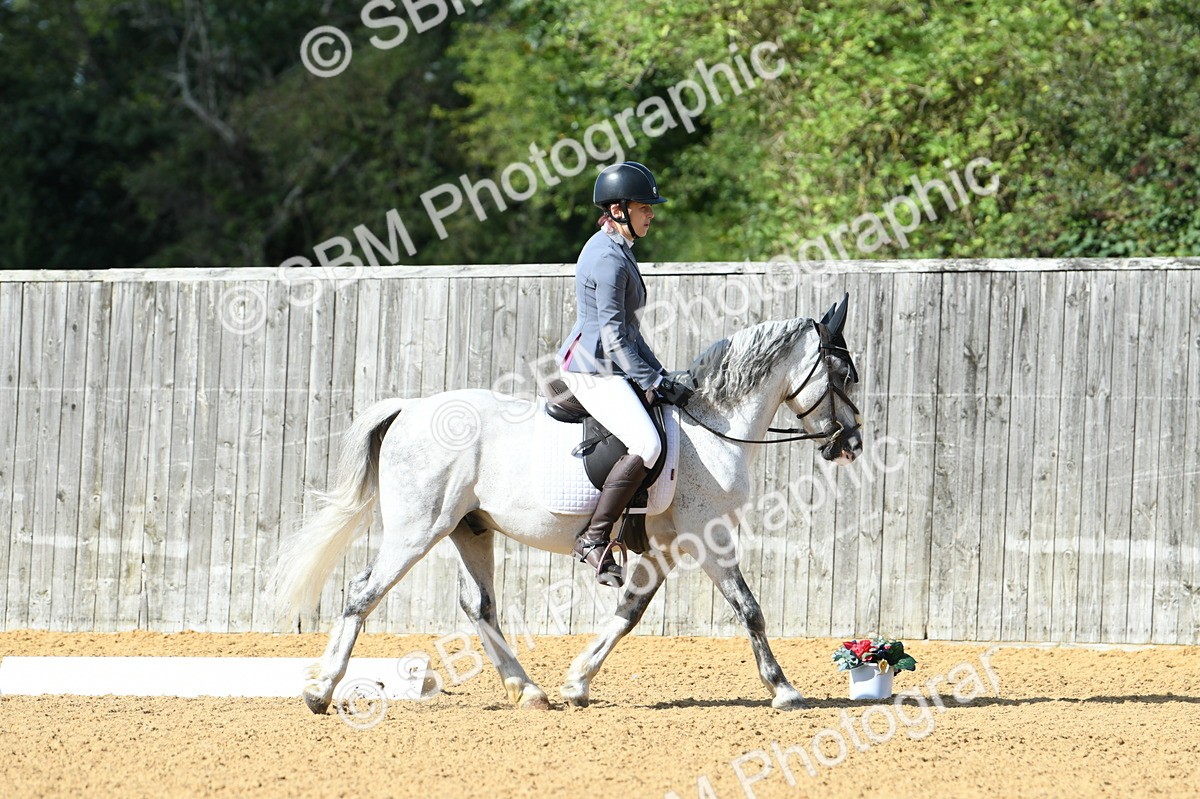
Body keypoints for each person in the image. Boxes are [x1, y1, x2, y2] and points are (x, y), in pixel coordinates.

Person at [555, 161, 693, 587]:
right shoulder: (607, 257)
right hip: (593, 368)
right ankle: (594, 540)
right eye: (644, 207)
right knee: (647, 443)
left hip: (611, 362)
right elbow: (614, 336)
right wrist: (650, 380)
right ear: (618, 209)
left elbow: (631, 332)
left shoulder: (617, 251)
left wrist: (660, 374)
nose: (651, 213)